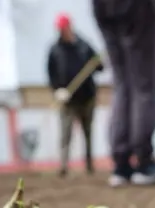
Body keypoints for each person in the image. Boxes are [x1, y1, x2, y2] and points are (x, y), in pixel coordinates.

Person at [91, 0, 155, 187]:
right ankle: (143, 161)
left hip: (103, 7)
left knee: (122, 82)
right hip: (138, 7)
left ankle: (121, 163)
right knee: (143, 83)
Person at [47, 12, 104, 177]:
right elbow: (51, 74)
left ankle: (89, 165)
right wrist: (57, 90)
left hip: (87, 97)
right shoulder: (54, 50)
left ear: (69, 27)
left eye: (64, 28)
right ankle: (63, 166)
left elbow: (100, 67)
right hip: (67, 99)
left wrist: (96, 63)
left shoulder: (84, 46)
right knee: (65, 133)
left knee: (88, 132)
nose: (62, 31)